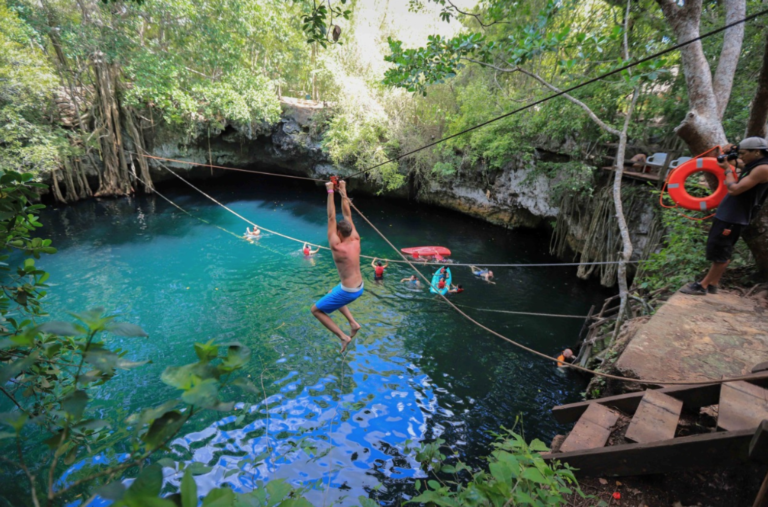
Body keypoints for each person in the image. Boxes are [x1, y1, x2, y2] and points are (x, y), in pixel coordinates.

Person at [681, 138, 768, 295]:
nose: (741, 157)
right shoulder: (756, 164)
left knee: (720, 250)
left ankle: (703, 286)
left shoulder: (764, 168)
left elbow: (734, 189)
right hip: (731, 214)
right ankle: (713, 283)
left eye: (743, 153)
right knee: (721, 248)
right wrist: (729, 154)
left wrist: (727, 169)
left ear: (756, 151)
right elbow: (739, 164)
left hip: (734, 216)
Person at [310, 180, 363, 353]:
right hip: (358, 286)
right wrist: (343, 190)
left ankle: (343, 336)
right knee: (332, 293)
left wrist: (330, 192)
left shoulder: (337, 247)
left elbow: (332, 217)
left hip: (349, 290)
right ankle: (353, 323)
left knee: (316, 310)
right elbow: (347, 215)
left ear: (339, 233)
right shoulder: (356, 239)